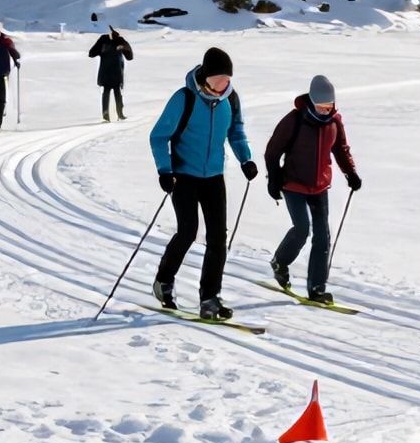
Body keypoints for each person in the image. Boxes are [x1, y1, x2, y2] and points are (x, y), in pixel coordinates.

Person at [148, 47, 257, 320]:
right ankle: (163, 280)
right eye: (218, 79)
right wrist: (165, 169)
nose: (223, 85)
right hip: (184, 176)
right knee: (187, 231)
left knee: (218, 237)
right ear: (205, 77)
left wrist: (245, 159)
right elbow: (159, 136)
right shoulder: (184, 98)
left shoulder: (230, 101)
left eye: (227, 80)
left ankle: (210, 298)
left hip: (214, 177)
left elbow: (236, 130)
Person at [263, 75, 361, 305]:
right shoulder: (294, 120)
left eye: (329, 106)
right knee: (302, 228)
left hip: (319, 186)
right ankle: (281, 261)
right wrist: (273, 179)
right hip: (294, 184)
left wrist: (351, 173)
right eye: (321, 107)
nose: (326, 111)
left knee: (322, 236)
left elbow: (341, 149)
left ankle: (317, 288)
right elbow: (272, 151)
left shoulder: (335, 123)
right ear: (312, 102)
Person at [88, 27, 134, 122]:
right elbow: (130, 56)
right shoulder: (112, 40)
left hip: (108, 72)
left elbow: (92, 53)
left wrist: (123, 46)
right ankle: (117, 114)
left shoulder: (111, 40)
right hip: (114, 72)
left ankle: (110, 114)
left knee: (109, 92)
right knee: (115, 93)